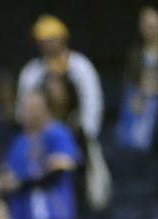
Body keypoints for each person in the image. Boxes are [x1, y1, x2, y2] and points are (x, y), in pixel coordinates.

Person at [0, 88, 81, 219]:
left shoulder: (56, 132)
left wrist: (24, 180)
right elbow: (5, 176)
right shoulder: (18, 142)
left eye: (35, 106)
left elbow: (63, 164)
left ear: (46, 108)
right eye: (26, 107)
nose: (29, 111)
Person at [17, 15, 103, 144]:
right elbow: (22, 106)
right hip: (42, 134)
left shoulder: (80, 65)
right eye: (44, 41)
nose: (48, 44)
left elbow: (92, 101)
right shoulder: (32, 71)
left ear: (63, 38)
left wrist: (87, 133)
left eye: (52, 39)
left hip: (76, 130)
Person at [117, 6, 158, 153]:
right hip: (138, 116)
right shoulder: (135, 53)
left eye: (152, 25)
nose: (148, 29)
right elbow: (128, 83)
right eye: (144, 25)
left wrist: (156, 87)